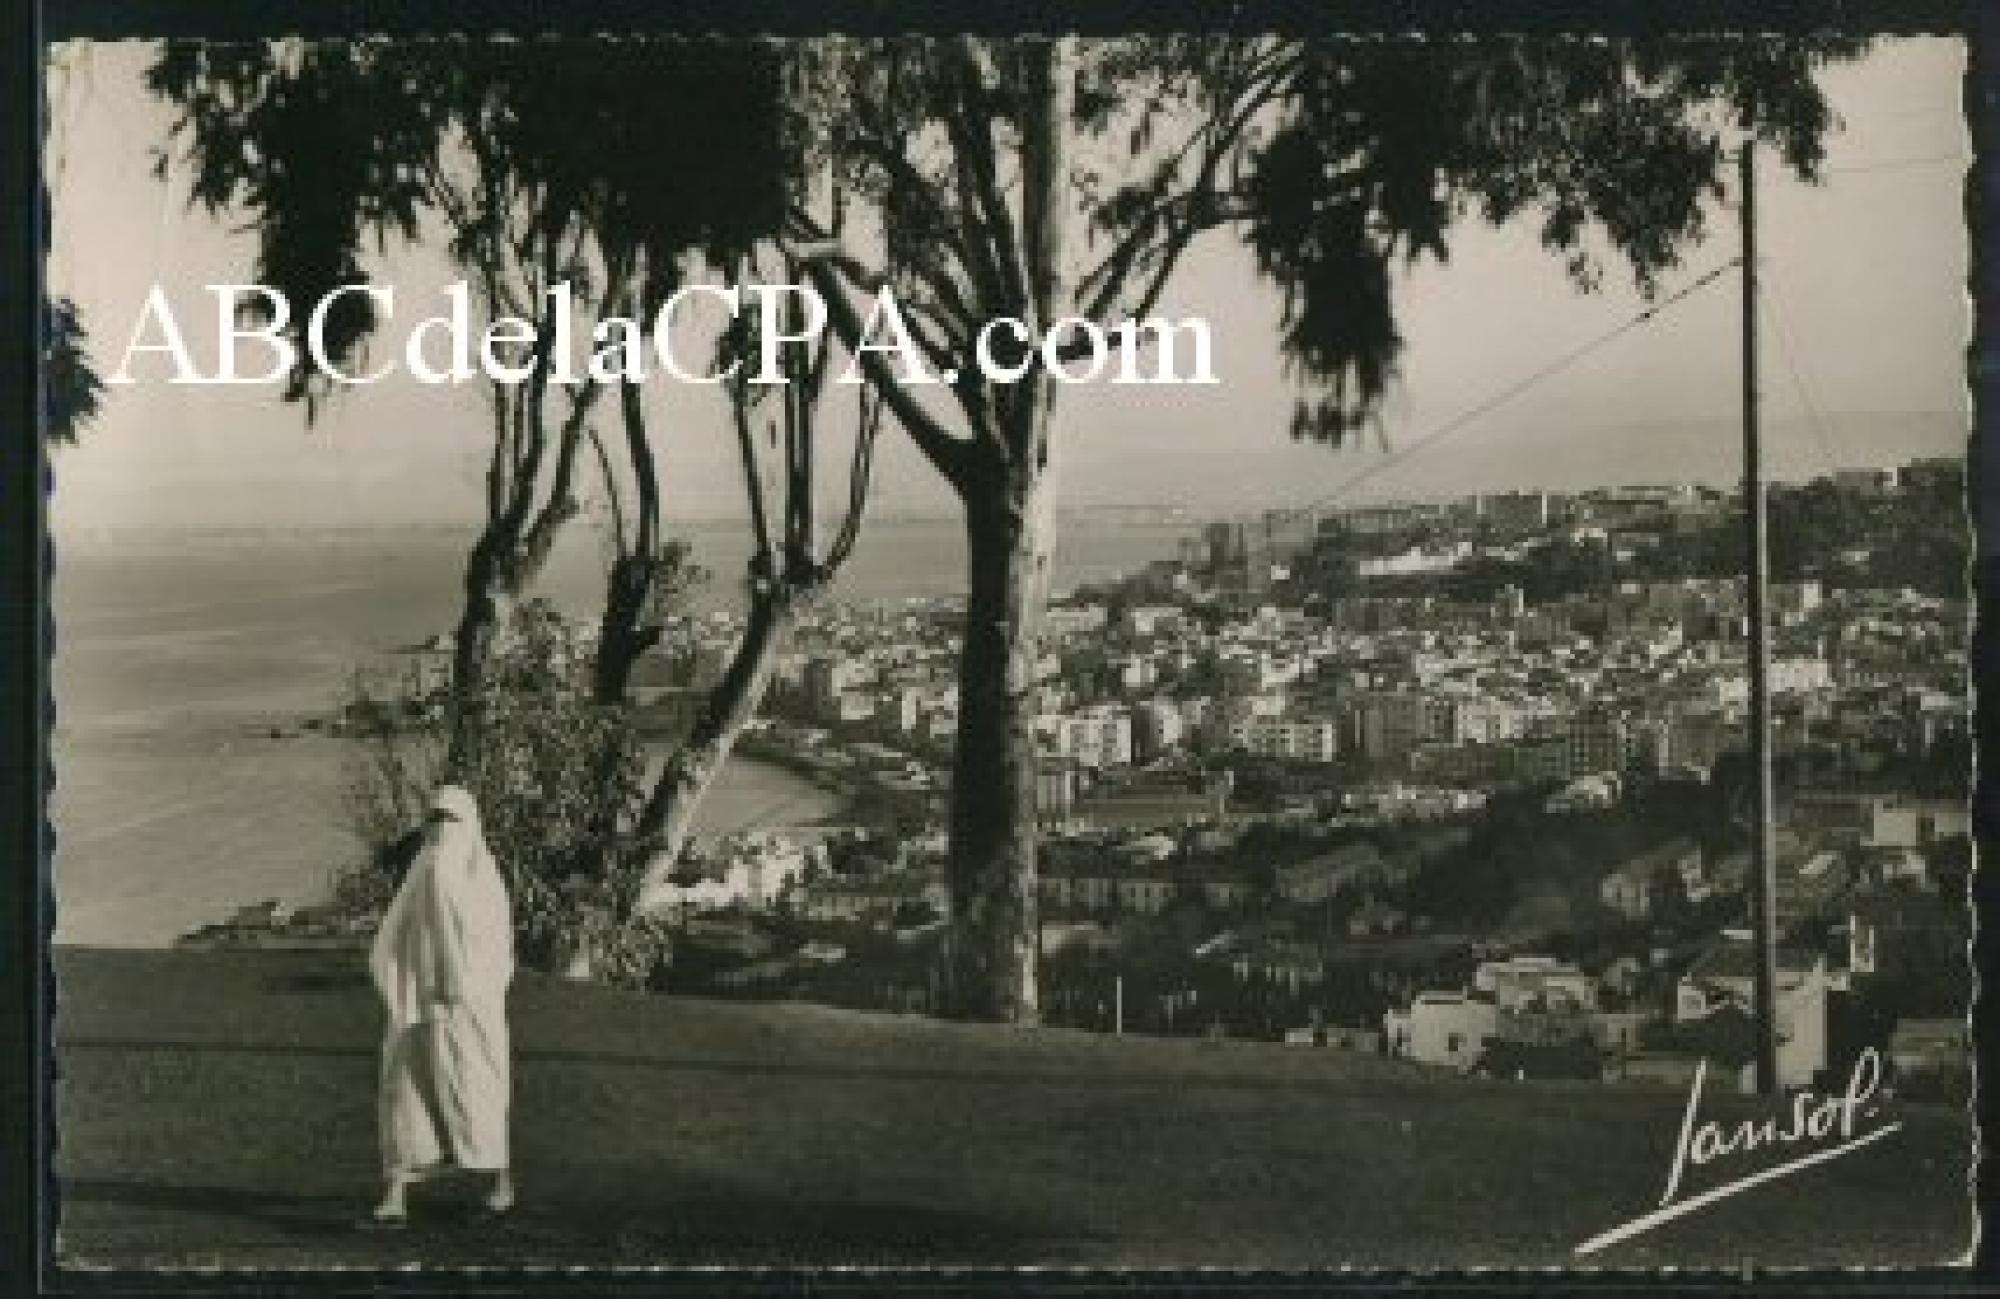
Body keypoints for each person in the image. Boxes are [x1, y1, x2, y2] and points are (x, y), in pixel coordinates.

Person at [365, 784, 516, 1227]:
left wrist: (467, 986)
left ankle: (500, 1185)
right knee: (405, 1088)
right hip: (419, 999)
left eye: (451, 819)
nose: (442, 829)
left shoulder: (483, 881)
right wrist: (406, 980)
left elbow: (494, 946)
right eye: (435, 818)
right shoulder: (426, 869)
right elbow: (398, 930)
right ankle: (397, 1194)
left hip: (470, 1007)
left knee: (479, 1086)